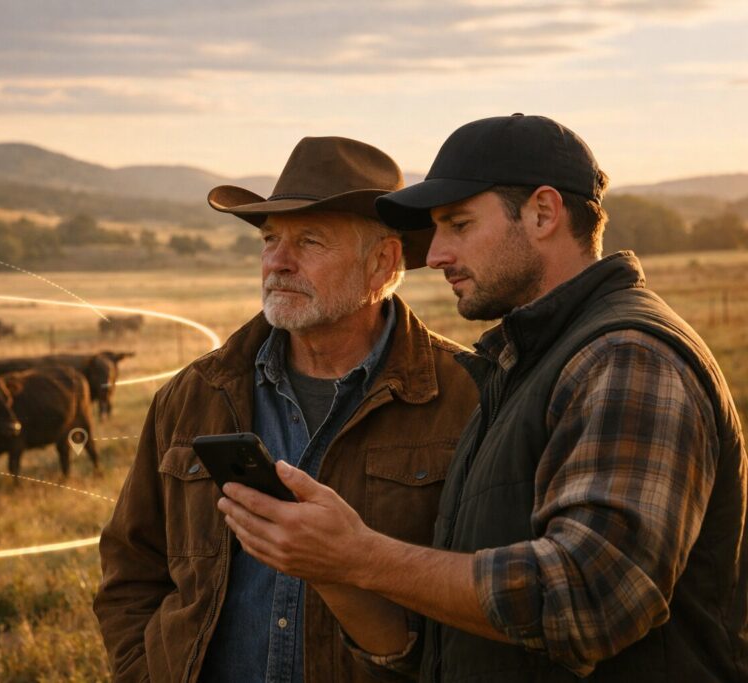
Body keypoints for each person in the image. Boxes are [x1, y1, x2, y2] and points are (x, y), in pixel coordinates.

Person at [218, 114, 747, 682]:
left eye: (458, 224)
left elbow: (594, 599)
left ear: (543, 213)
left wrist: (360, 556)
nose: (438, 254)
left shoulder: (627, 357)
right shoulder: (522, 365)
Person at [93, 136, 479, 682]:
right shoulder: (194, 395)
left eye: (310, 241)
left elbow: (486, 600)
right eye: (270, 239)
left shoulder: (469, 398)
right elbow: (132, 568)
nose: (277, 261)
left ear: (382, 264)